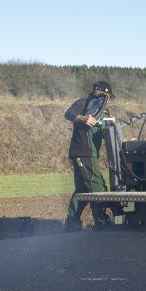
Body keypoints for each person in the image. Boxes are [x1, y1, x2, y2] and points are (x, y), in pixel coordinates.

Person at [63, 81, 115, 232]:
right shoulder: (83, 103)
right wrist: (83, 118)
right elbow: (68, 114)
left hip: (87, 154)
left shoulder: (103, 112)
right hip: (84, 153)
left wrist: (125, 140)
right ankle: (102, 223)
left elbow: (108, 132)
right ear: (102, 93)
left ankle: (71, 225)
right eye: (108, 95)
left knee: (82, 190)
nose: (109, 99)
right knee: (97, 187)